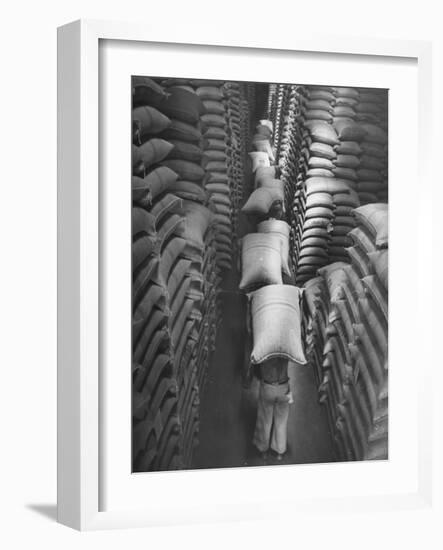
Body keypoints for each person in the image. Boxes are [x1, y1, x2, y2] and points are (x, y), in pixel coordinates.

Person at [252, 356, 294, 460]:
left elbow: (255, 365)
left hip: (267, 386)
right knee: (281, 421)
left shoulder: (264, 347)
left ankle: (263, 450)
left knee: (265, 420)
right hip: (283, 387)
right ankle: (280, 452)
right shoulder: (285, 348)